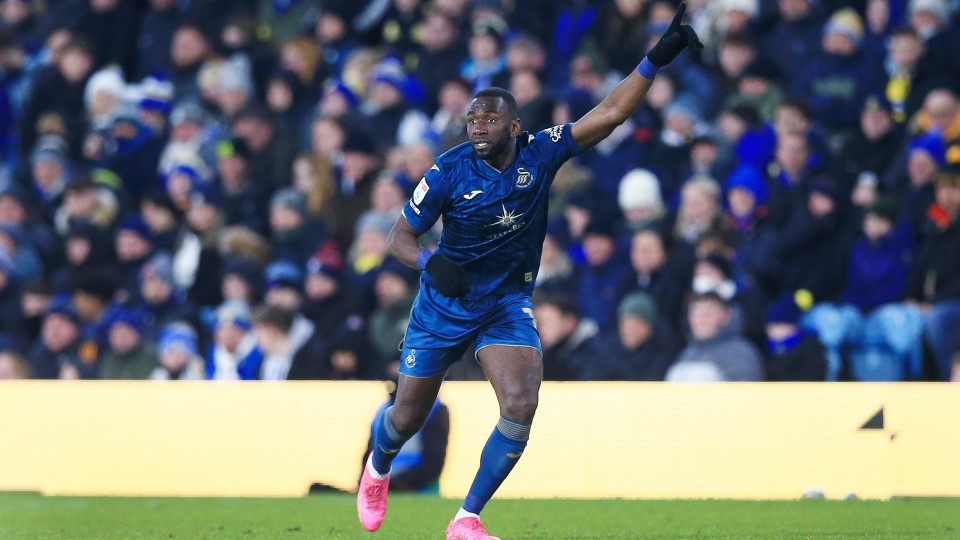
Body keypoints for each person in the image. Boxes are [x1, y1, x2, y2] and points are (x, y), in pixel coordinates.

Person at [356, 5, 702, 539]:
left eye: (490, 119)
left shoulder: (540, 152)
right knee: (406, 417)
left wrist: (656, 58)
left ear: (514, 127)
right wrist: (430, 261)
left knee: (520, 403)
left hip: (505, 304)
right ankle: (378, 467)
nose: (478, 127)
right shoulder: (448, 170)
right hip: (444, 304)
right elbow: (398, 236)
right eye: (472, 119)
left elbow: (610, 113)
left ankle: (466, 518)